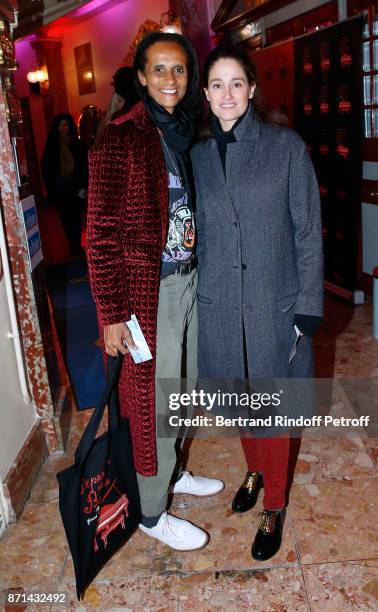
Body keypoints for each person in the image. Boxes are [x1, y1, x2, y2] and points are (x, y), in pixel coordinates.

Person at [86, 32, 223, 553]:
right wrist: (113, 314)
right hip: (148, 297)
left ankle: (172, 471)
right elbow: (99, 234)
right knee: (152, 404)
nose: (170, 79)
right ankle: (150, 509)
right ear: (141, 78)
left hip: (189, 280)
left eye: (179, 70)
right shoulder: (120, 138)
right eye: (159, 70)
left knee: (183, 390)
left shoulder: (188, 134)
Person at [191, 44, 324, 561]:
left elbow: (309, 231)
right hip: (221, 304)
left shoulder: (286, 148)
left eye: (236, 83)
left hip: (275, 303)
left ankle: (275, 503)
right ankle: (254, 469)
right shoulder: (197, 156)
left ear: (251, 89)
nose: (227, 94)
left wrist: (308, 305)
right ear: (205, 94)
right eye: (217, 85)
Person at [41, 113, 88, 257]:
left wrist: (84, 186)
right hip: (61, 190)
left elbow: (85, 166)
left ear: (70, 126)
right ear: (56, 127)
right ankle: (74, 247)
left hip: (77, 189)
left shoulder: (78, 144)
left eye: (66, 124)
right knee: (66, 221)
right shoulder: (52, 145)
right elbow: (46, 167)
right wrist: (52, 187)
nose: (63, 128)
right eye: (60, 125)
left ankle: (76, 247)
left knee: (77, 220)